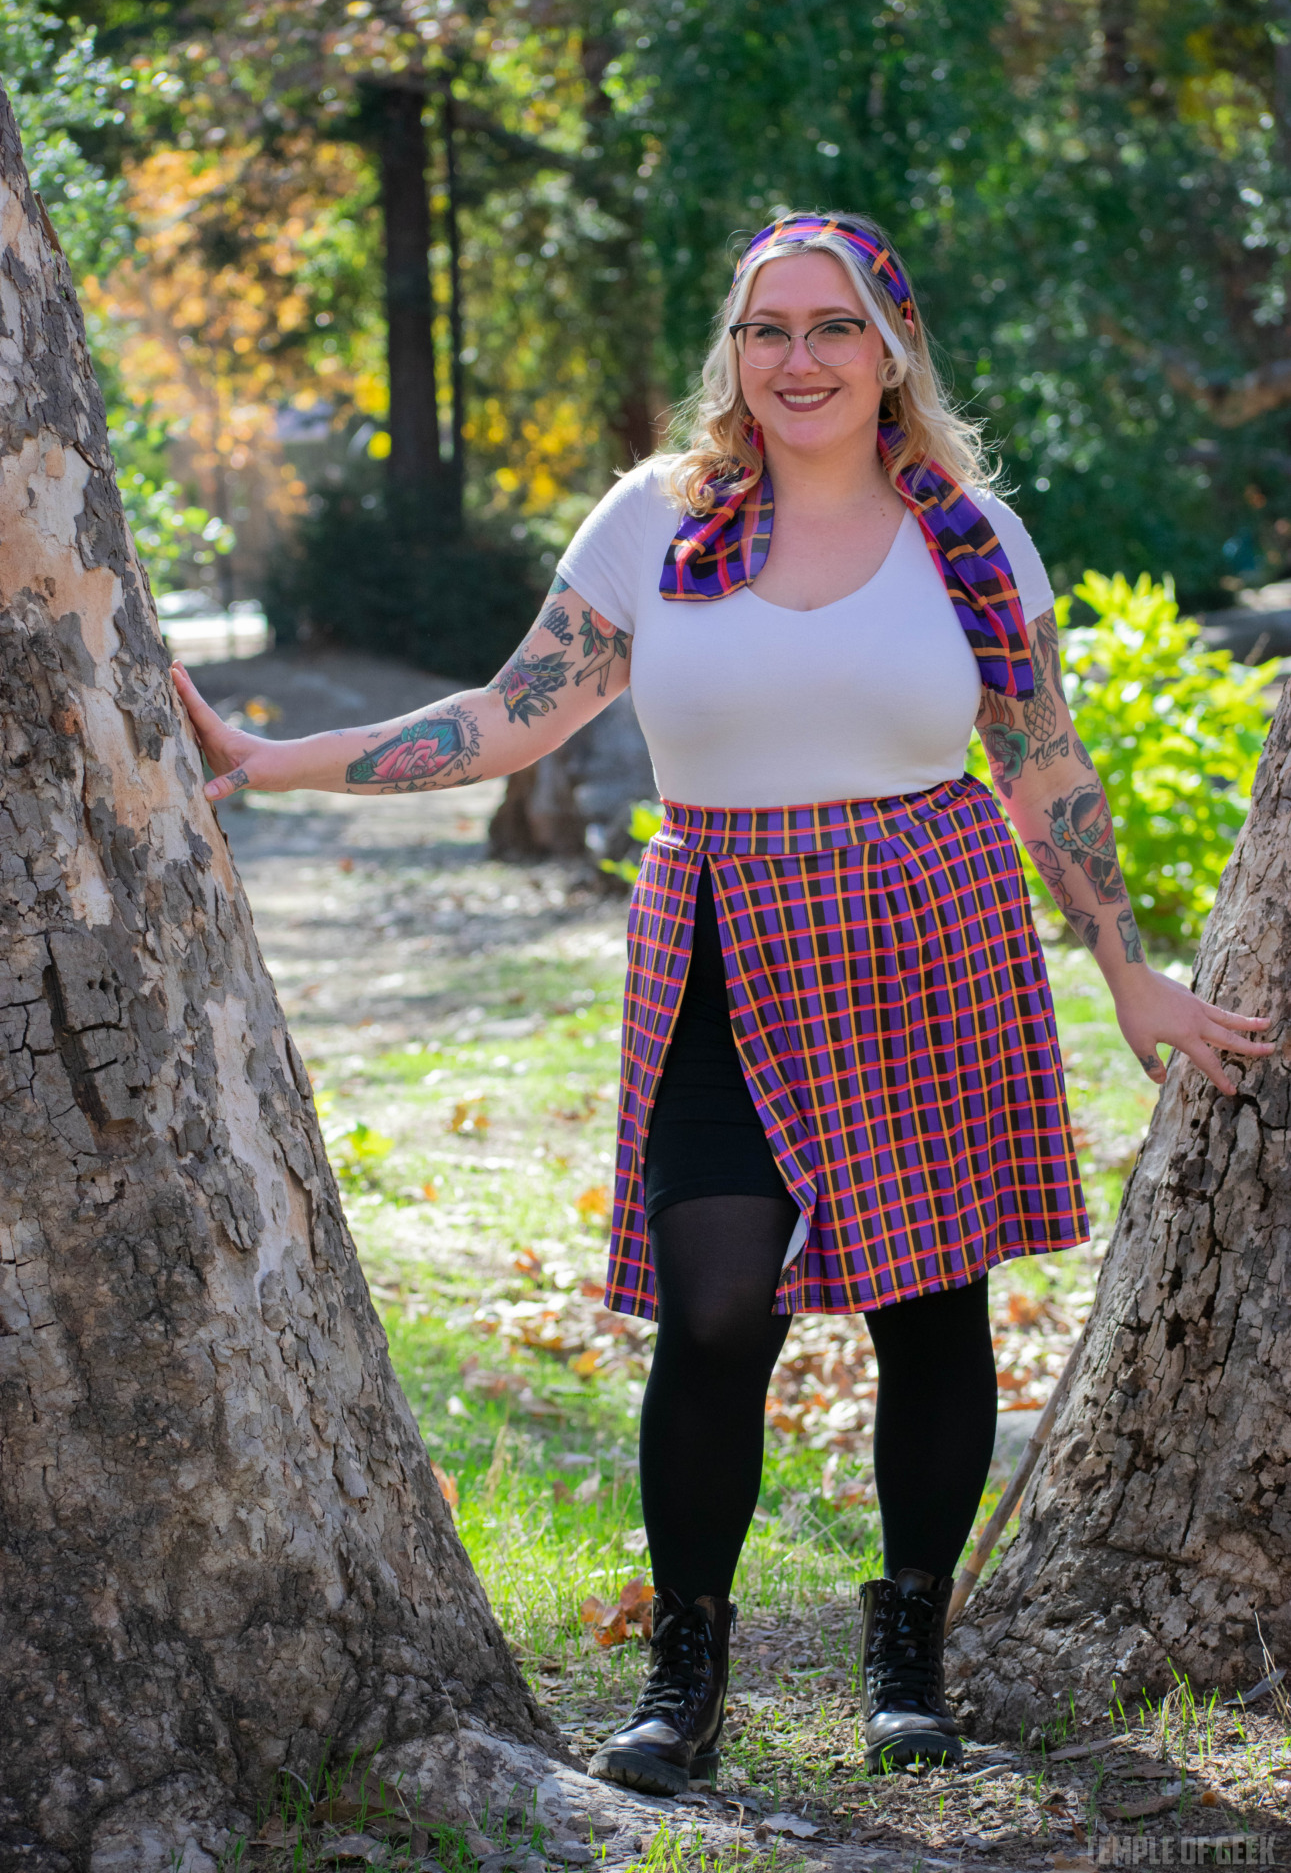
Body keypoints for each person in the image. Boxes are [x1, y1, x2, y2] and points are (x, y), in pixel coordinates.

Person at [173, 211, 1272, 1793]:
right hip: (722, 929)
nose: (800, 359)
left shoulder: (971, 535)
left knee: (930, 1300)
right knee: (712, 1305)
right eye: (770, 330)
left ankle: (907, 1651)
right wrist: (271, 761)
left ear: (890, 350)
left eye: (834, 328)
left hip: (930, 924)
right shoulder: (656, 524)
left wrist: (1127, 968)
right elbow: (509, 716)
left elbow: (1041, 766)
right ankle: (688, 1664)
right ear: (734, 353)